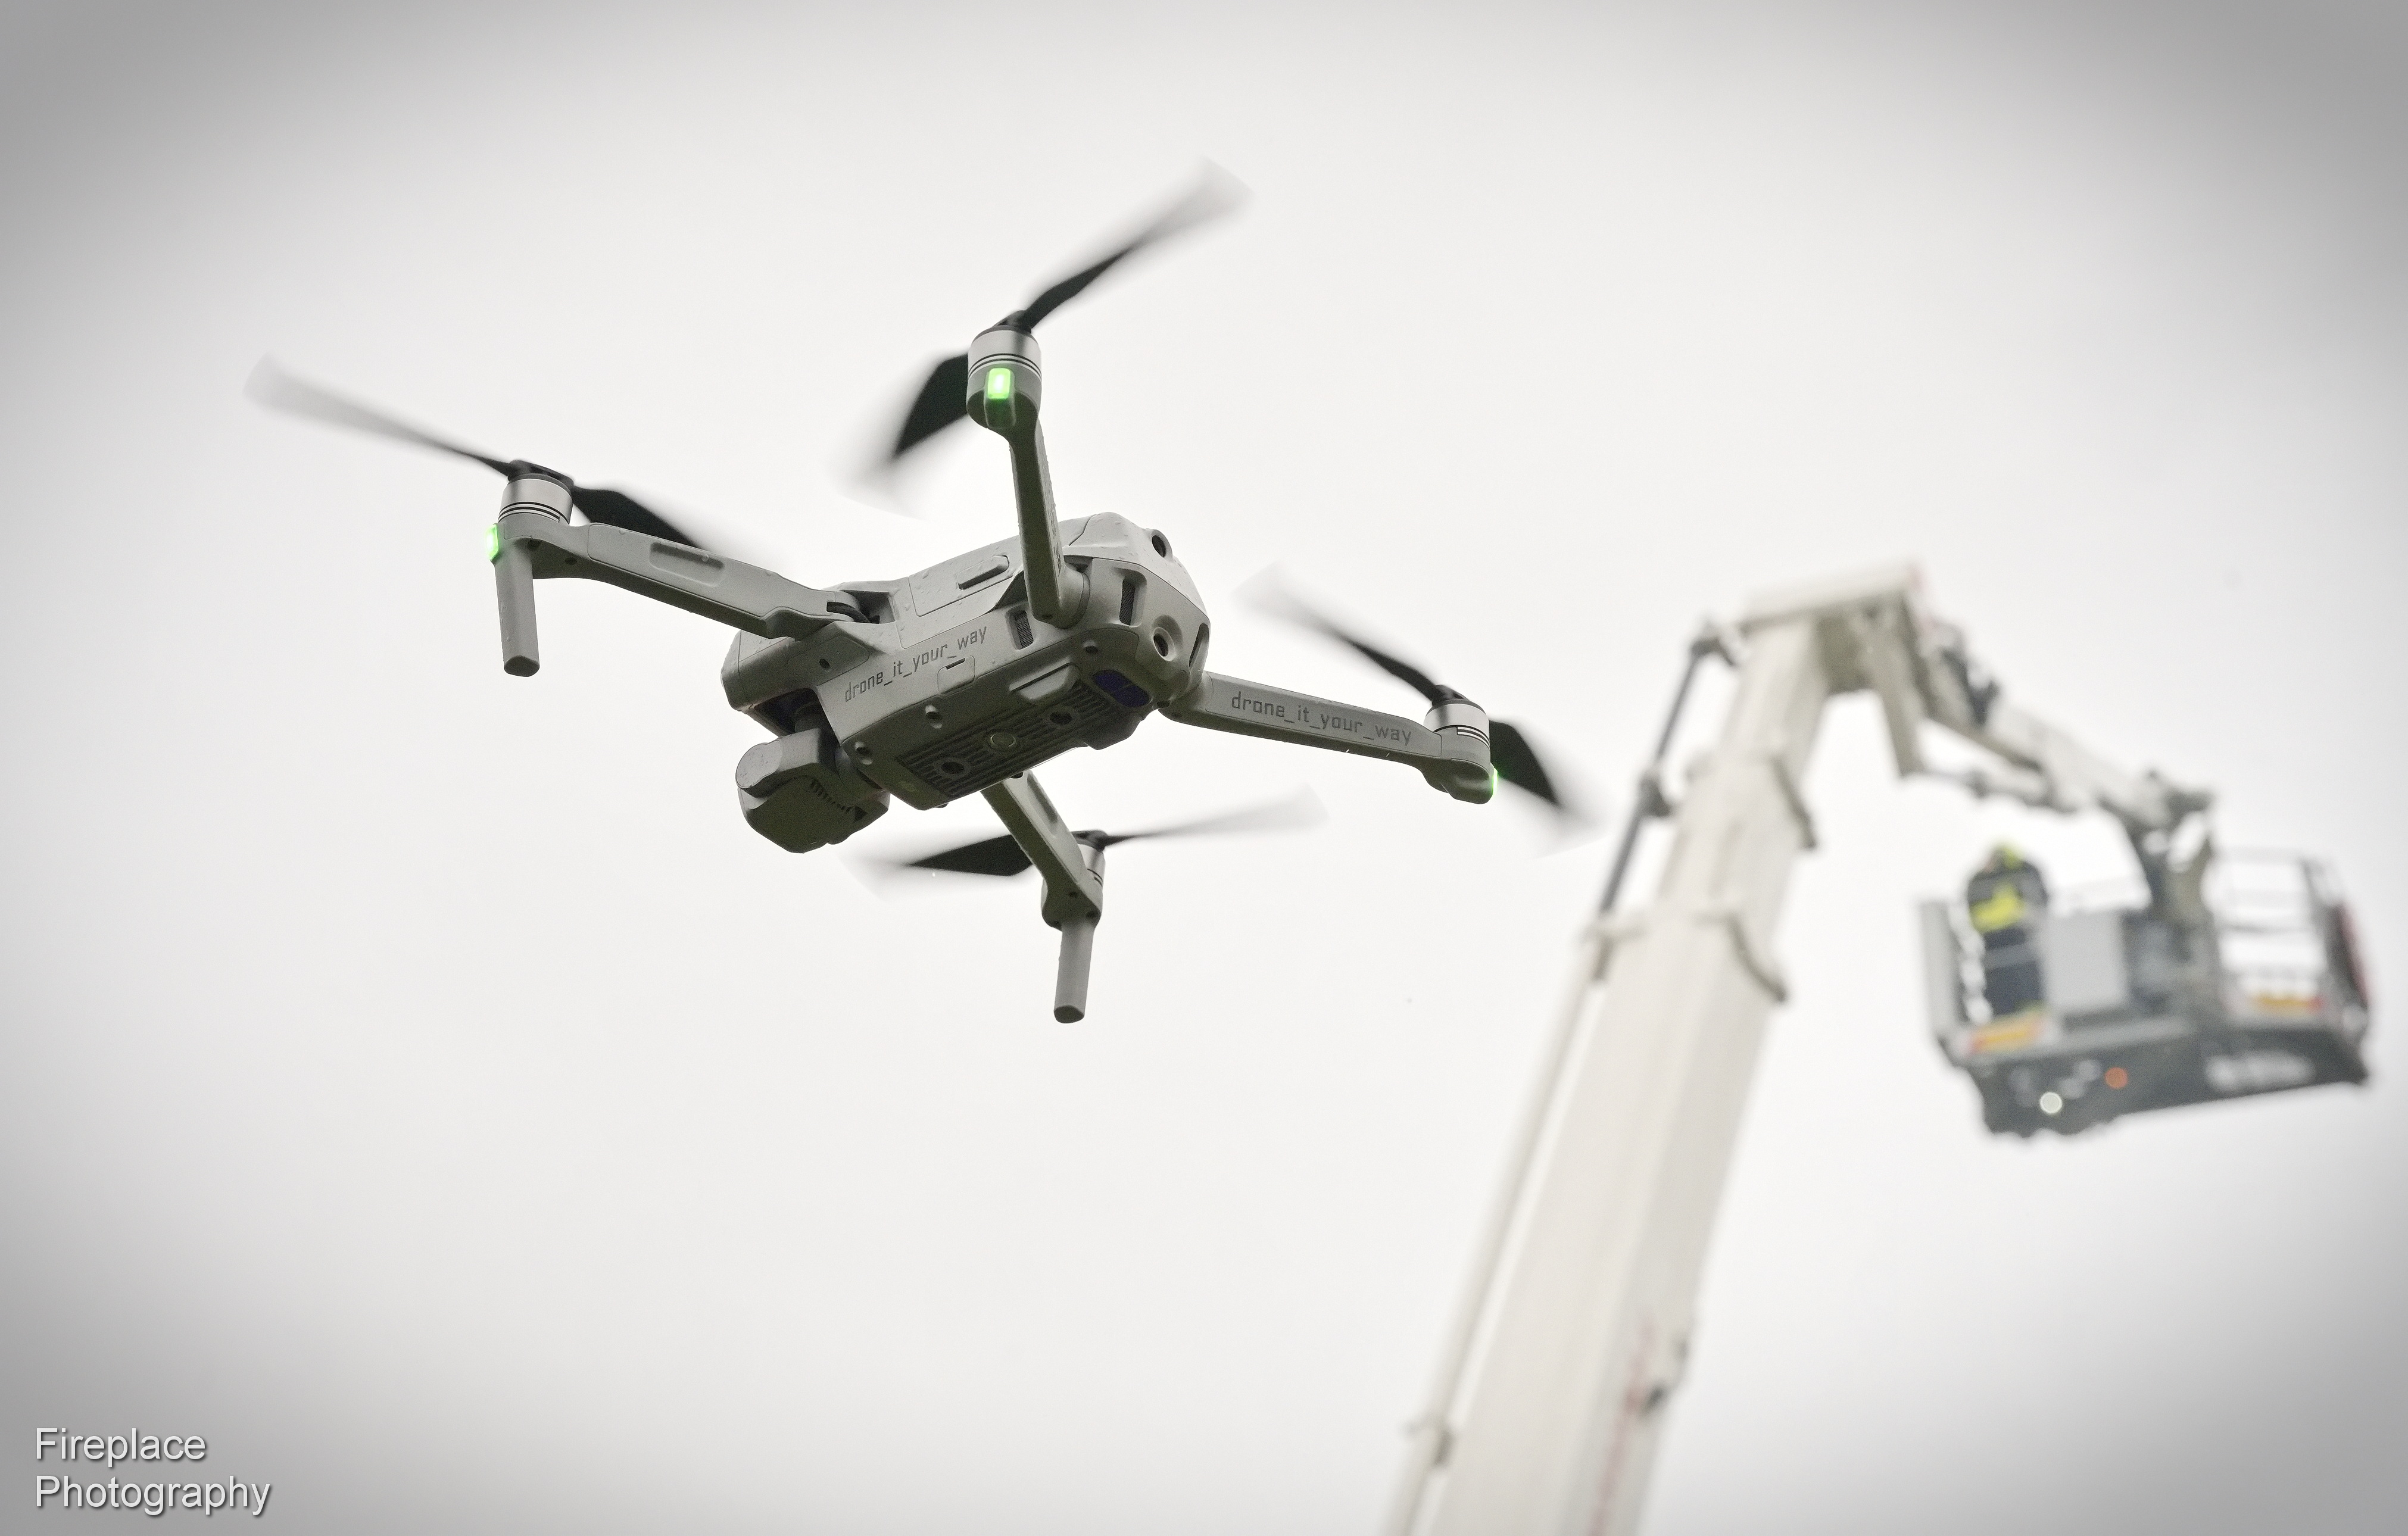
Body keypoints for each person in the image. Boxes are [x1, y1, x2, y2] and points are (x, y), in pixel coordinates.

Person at [1966, 844, 2050, 1017]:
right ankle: (2020, 1007)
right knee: (2016, 971)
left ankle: (2007, 1009)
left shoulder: (1982, 879)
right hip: (2010, 935)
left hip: (2003, 936)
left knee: (2006, 974)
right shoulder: (2022, 870)